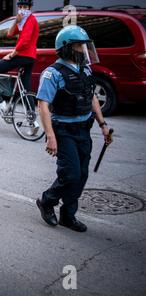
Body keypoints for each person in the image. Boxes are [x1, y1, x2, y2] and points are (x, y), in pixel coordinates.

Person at [36, 25, 112, 232]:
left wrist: (103, 125)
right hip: (64, 130)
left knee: (82, 175)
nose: (84, 50)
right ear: (67, 47)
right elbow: (42, 105)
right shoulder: (53, 74)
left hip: (83, 129)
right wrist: (50, 136)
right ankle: (47, 201)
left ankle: (68, 216)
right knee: (70, 174)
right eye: (80, 46)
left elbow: (92, 96)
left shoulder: (85, 69)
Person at [0, 0, 39, 116]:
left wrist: (12, 54)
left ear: (30, 8)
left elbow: (25, 41)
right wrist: (16, 21)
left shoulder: (31, 20)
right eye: (20, 7)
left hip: (22, 56)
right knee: (26, 89)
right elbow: (9, 34)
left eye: (25, 7)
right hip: (29, 58)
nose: (22, 9)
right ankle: (32, 119)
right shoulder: (22, 21)